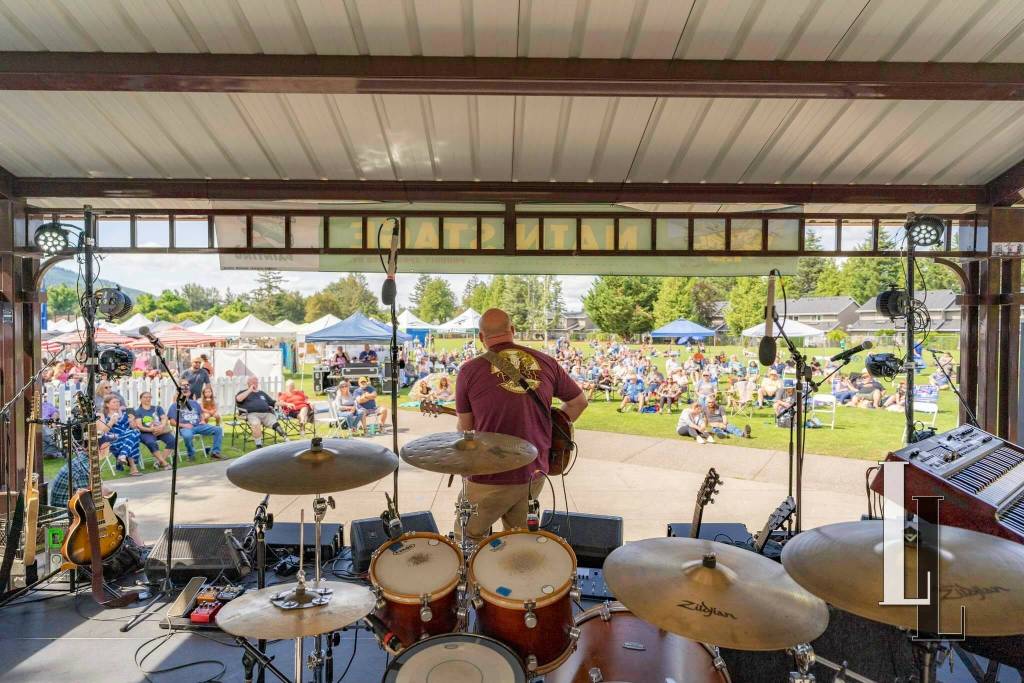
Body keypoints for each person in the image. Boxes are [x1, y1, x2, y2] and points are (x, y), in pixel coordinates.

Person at [454, 308, 587, 545]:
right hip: (533, 471)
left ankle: (476, 582)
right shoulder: (546, 362)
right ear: (512, 331)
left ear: (481, 337)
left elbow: (466, 428)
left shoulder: (469, 371)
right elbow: (578, 403)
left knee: (468, 539)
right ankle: (517, 580)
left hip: (488, 475)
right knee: (520, 543)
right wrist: (550, 427)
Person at [169, 384, 224, 460]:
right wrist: (184, 425)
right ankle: (191, 454)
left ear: (190, 392)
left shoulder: (194, 403)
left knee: (218, 429)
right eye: (183, 390)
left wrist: (202, 420)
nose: (185, 391)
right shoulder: (175, 405)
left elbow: (201, 414)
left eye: (187, 390)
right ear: (179, 393)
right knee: (187, 436)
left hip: (199, 425)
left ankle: (215, 453)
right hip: (185, 428)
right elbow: (172, 422)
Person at [96, 395, 142, 476]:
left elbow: (133, 427)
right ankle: (129, 463)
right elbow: (103, 432)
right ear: (107, 404)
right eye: (114, 402)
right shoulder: (104, 417)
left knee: (134, 433)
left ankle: (123, 456)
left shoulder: (125, 413)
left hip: (127, 438)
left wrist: (131, 422)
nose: (117, 403)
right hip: (114, 439)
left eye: (118, 402)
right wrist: (111, 422)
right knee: (134, 434)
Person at [235, 376, 286, 448]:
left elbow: (273, 402)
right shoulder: (243, 392)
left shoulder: (262, 393)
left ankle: (285, 437)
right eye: (253, 382)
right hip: (251, 414)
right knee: (255, 424)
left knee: (275, 423)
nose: (255, 383)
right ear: (248, 383)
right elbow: (238, 399)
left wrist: (286, 404)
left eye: (256, 382)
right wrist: (250, 390)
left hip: (266, 413)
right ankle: (259, 445)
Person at [133, 391, 172, 469]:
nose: (148, 399)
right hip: (146, 433)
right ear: (140, 399)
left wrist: (162, 426)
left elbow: (164, 418)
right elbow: (139, 426)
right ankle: (164, 463)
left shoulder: (158, 408)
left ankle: (159, 462)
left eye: (149, 397)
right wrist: (151, 429)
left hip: (160, 430)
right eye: (145, 397)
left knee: (172, 440)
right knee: (151, 442)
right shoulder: (138, 411)